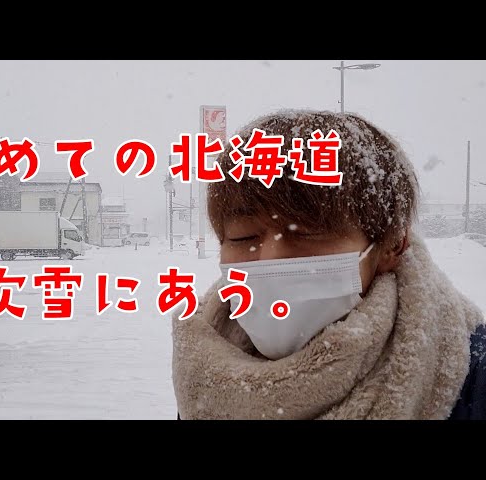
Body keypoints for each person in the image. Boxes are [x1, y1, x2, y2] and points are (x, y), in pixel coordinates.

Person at [171, 109, 486, 420]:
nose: (270, 258)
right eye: (243, 236)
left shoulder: (472, 376)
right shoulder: (208, 368)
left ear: (391, 246)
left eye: (307, 233)